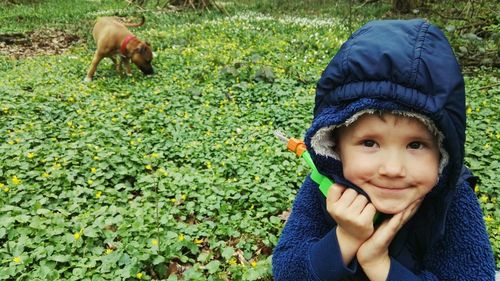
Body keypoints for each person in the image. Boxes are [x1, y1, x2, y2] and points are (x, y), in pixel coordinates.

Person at [272, 19, 496, 280]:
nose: (392, 169)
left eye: (416, 145)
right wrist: (345, 237)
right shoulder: (323, 187)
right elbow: (287, 271)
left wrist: (381, 266)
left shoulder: (453, 201)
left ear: (443, 152)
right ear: (336, 145)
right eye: (369, 143)